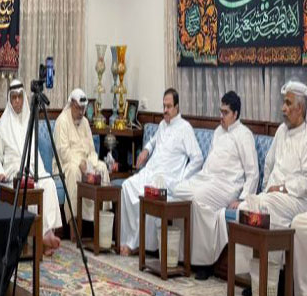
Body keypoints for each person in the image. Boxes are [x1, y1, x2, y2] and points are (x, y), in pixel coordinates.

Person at [169, 91, 258, 280]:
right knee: (177, 191)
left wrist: (242, 199)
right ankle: (181, 256)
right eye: (220, 111)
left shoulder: (244, 135)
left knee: (197, 199)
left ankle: (204, 262)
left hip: (227, 186)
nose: (221, 116)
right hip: (207, 179)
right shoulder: (218, 132)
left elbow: (253, 173)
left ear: (235, 114)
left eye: (225, 113)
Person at [238, 80, 307, 296]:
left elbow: (305, 181)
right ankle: (255, 278)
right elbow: (268, 164)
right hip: (274, 196)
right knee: (245, 209)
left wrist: (283, 188)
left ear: (300, 108)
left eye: (288, 103)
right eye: (283, 103)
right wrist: (268, 188)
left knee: (265, 208)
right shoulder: (280, 131)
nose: (283, 108)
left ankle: (273, 283)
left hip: (296, 199)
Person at [120, 88, 203, 255]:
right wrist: (146, 150)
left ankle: (136, 244)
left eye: (169, 106)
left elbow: (198, 158)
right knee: (127, 186)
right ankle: (127, 239)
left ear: (177, 107)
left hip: (167, 178)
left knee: (147, 195)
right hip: (150, 171)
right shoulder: (163, 125)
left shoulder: (185, 128)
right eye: (163, 106)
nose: (165, 110)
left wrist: (182, 179)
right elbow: (152, 141)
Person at [0, 79, 62, 254]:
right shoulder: (2, 125)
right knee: (28, 187)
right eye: (13, 97)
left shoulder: (30, 121)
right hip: (14, 171)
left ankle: (48, 232)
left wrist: (41, 173)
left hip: (32, 168)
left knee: (48, 183)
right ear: (10, 100)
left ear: (24, 98)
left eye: (19, 97)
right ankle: (43, 236)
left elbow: (34, 152)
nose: (17, 101)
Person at [53, 87, 111, 225]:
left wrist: (91, 164)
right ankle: (74, 222)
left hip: (85, 162)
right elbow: (63, 153)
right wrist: (80, 163)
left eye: (83, 109)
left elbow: (91, 150)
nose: (80, 112)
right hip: (65, 164)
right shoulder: (62, 121)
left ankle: (102, 219)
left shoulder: (84, 122)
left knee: (102, 167)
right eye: (78, 108)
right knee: (75, 171)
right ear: (72, 104)